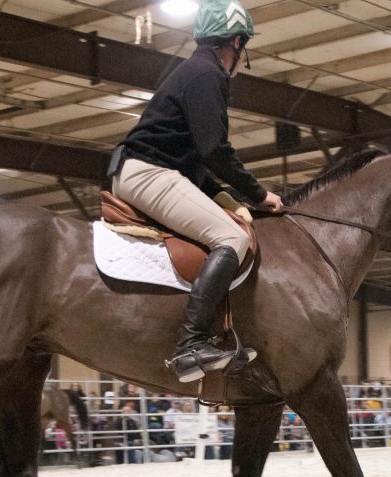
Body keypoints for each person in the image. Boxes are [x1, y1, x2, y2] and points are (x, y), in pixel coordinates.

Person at [109, 0, 283, 383]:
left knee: (229, 221)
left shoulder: (193, 70)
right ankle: (190, 344)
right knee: (232, 237)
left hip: (153, 170)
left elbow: (195, 161)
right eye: (244, 47)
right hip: (150, 173)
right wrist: (258, 194)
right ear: (237, 42)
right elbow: (214, 152)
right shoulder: (208, 75)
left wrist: (228, 199)